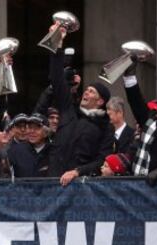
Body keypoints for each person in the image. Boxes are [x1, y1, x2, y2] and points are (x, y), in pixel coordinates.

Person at [46, 22, 115, 186]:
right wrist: (57, 44)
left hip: (79, 186)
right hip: (51, 181)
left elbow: (101, 160)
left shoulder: (105, 127)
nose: (86, 92)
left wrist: (77, 171)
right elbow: (56, 78)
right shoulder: (69, 109)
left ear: (100, 101)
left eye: (91, 92)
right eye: (86, 90)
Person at [8, 113, 51, 177]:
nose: (32, 131)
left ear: (46, 133)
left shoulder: (54, 151)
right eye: (30, 127)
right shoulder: (15, 151)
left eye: (36, 128)